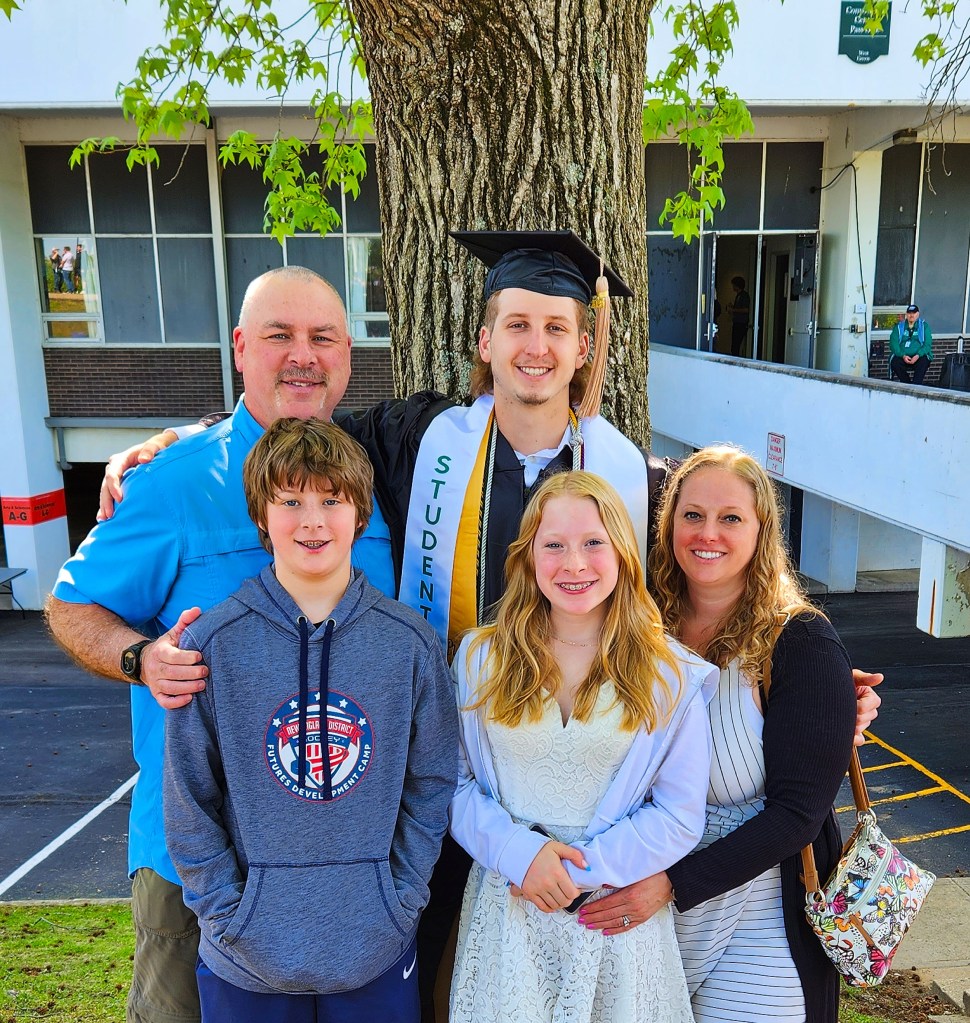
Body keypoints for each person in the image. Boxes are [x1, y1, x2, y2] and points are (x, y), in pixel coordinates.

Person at [94, 231, 882, 1021]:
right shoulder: (417, 442)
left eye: (556, 327)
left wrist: (807, 686)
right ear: (484, 340)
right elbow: (301, 448)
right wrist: (184, 443)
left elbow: (713, 562)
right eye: (516, 325)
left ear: (583, 348)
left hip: (602, 817)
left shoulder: (633, 481)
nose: (535, 347)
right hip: (443, 781)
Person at [45, 266, 395, 1023]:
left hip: (343, 862)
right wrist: (141, 658)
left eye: (322, 337)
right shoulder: (170, 484)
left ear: (347, 355)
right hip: (196, 863)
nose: (302, 355)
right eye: (279, 336)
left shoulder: (378, 482)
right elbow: (72, 606)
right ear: (240, 348)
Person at [164, 417, 457, 1022]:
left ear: (361, 514)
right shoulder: (213, 643)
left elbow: (431, 784)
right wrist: (226, 913)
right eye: (290, 501)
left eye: (331, 500)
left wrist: (399, 900)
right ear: (261, 514)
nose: (313, 521)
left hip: (376, 946)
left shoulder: (408, 644)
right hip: (244, 955)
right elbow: (189, 796)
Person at [580, 445, 858, 1023]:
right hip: (646, 927)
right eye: (693, 515)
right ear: (669, 524)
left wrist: (675, 884)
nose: (708, 533)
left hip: (756, 928)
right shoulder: (635, 627)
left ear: (762, 530)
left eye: (730, 517)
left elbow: (798, 815)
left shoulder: (800, 642)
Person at [449, 470, 717, 1023]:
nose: (574, 564)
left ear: (622, 553)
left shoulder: (669, 674)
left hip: (613, 914)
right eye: (554, 545)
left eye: (593, 542)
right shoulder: (480, 659)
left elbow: (679, 813)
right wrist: (519, 855)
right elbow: (451, 784)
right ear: (528, 557)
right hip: (510, 908)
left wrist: (579, 872)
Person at [889, 303, 933, 384]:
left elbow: (927, 344)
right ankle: (907, 384)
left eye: (914, 313)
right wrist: (903, 355)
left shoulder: (924, 326)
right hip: (903, 356)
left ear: (918, 314)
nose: (911, 315)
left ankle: (916, 385)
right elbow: (893, 344)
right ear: (906, 314)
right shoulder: (899, 327)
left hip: (918, 356)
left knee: (924, 361)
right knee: (895, 362)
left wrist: (918, 355)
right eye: (909, 313)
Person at [727, 275, 750, 357]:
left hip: (741, 324)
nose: (732, 287)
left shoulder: (744, 295)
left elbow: (746, 310)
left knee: (736, 345)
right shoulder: (738, 295)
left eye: (733, 285)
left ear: (737, 285)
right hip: (737, 322)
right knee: (734, 345)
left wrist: (733, 310)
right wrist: (733, 307)